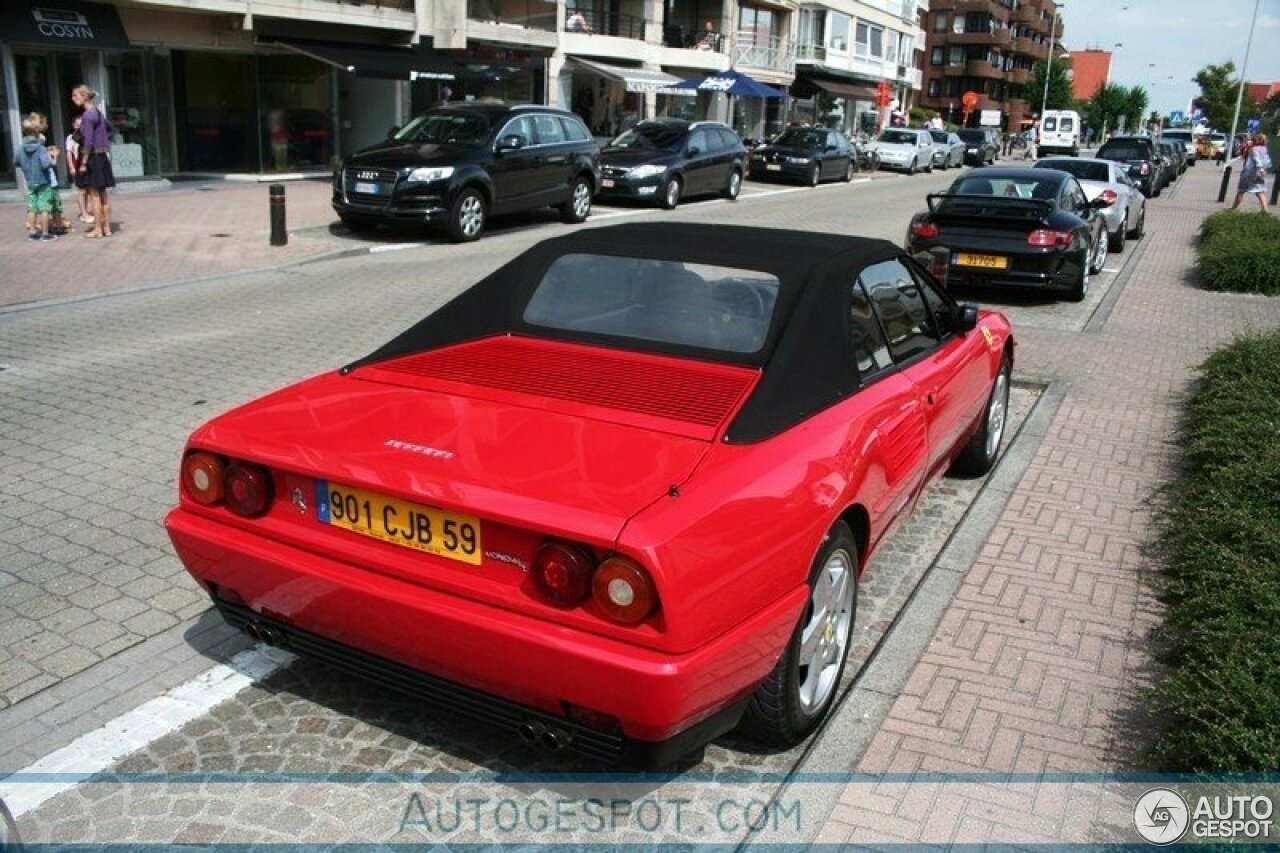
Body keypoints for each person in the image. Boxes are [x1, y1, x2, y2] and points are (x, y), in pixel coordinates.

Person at [71, 84, 114, 238]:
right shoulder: (98, 112)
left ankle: (98, 229)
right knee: (103, 194)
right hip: (102, 156)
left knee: (94, 194)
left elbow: (88, 142)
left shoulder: (87, 116)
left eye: (75, 96)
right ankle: (107, 228)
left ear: (84, 96)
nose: (73, 99)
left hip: (92, 157)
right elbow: (109, 128)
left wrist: (83, 163)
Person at [13, 114, 58, 241]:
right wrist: (52, 157)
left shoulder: (20, 147)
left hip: (30, 181)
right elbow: (45, 164)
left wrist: (26, 166)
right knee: (45, 207)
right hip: (43, 180)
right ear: (37, 131)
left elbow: (16, 162)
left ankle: (32, 232)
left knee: (32, 207)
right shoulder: (41, 148)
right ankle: (45, 233)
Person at [1229, 132, 1271, 213]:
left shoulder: (1253, 149)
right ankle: (1265, 209)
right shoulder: (1264, 149)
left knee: (1241, 190)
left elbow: (1256, 159)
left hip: (1249, 173)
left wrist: (1260, 168)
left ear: (1256, 141)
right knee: (1260, 191)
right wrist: (1264, 169)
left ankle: (1233, 208)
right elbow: (1268, 161)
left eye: (1253, 140)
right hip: (1260, 173)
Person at [65, 116, 93, 226]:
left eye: (81, 125)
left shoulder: (87, 136)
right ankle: (83, 213)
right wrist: (71, 167)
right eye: (77, 125)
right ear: (73, 125)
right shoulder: (71, 138)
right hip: (77, 164)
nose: (79, 127)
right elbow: (69, 153)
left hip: (87, 165)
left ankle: (85, 211)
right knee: (81, 190)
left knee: (88, 190)